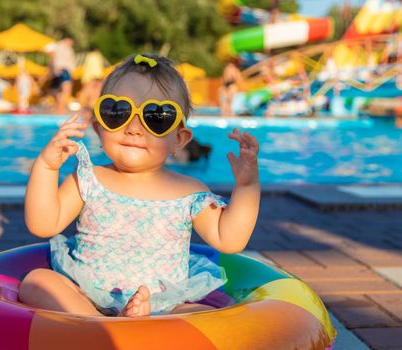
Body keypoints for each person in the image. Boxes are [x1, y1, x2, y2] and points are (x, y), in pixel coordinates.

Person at [19, 53, 260, 317]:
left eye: (156, 117)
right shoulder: (89, 178)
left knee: (210, 317)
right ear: (99, 127)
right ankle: (105, 326)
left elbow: (229, 239)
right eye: (117, 112)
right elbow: (42, 224)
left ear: (179, 139)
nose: (134, 128)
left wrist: (247, 186)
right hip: (85, 301)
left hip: (164, 307)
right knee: (37, 281)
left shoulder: (190, 192)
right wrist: (46, 167)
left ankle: (121, 328)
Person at [51, 37, 76, 114]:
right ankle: (61, 111)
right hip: (64, 70)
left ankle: (57, 110)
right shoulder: (65, 48)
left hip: (57, 71)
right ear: (67, 39)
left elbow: (53, 59)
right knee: (66, 91)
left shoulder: (56, 46)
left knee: (57, 92)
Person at [79, 46, 105, 118]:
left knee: (87, 95)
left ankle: (84, 114)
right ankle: (90, 114)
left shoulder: (88, 56)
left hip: (89, 77)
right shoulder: (98, 56)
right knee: (95, 96)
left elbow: (87, 67)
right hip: (97, 76)